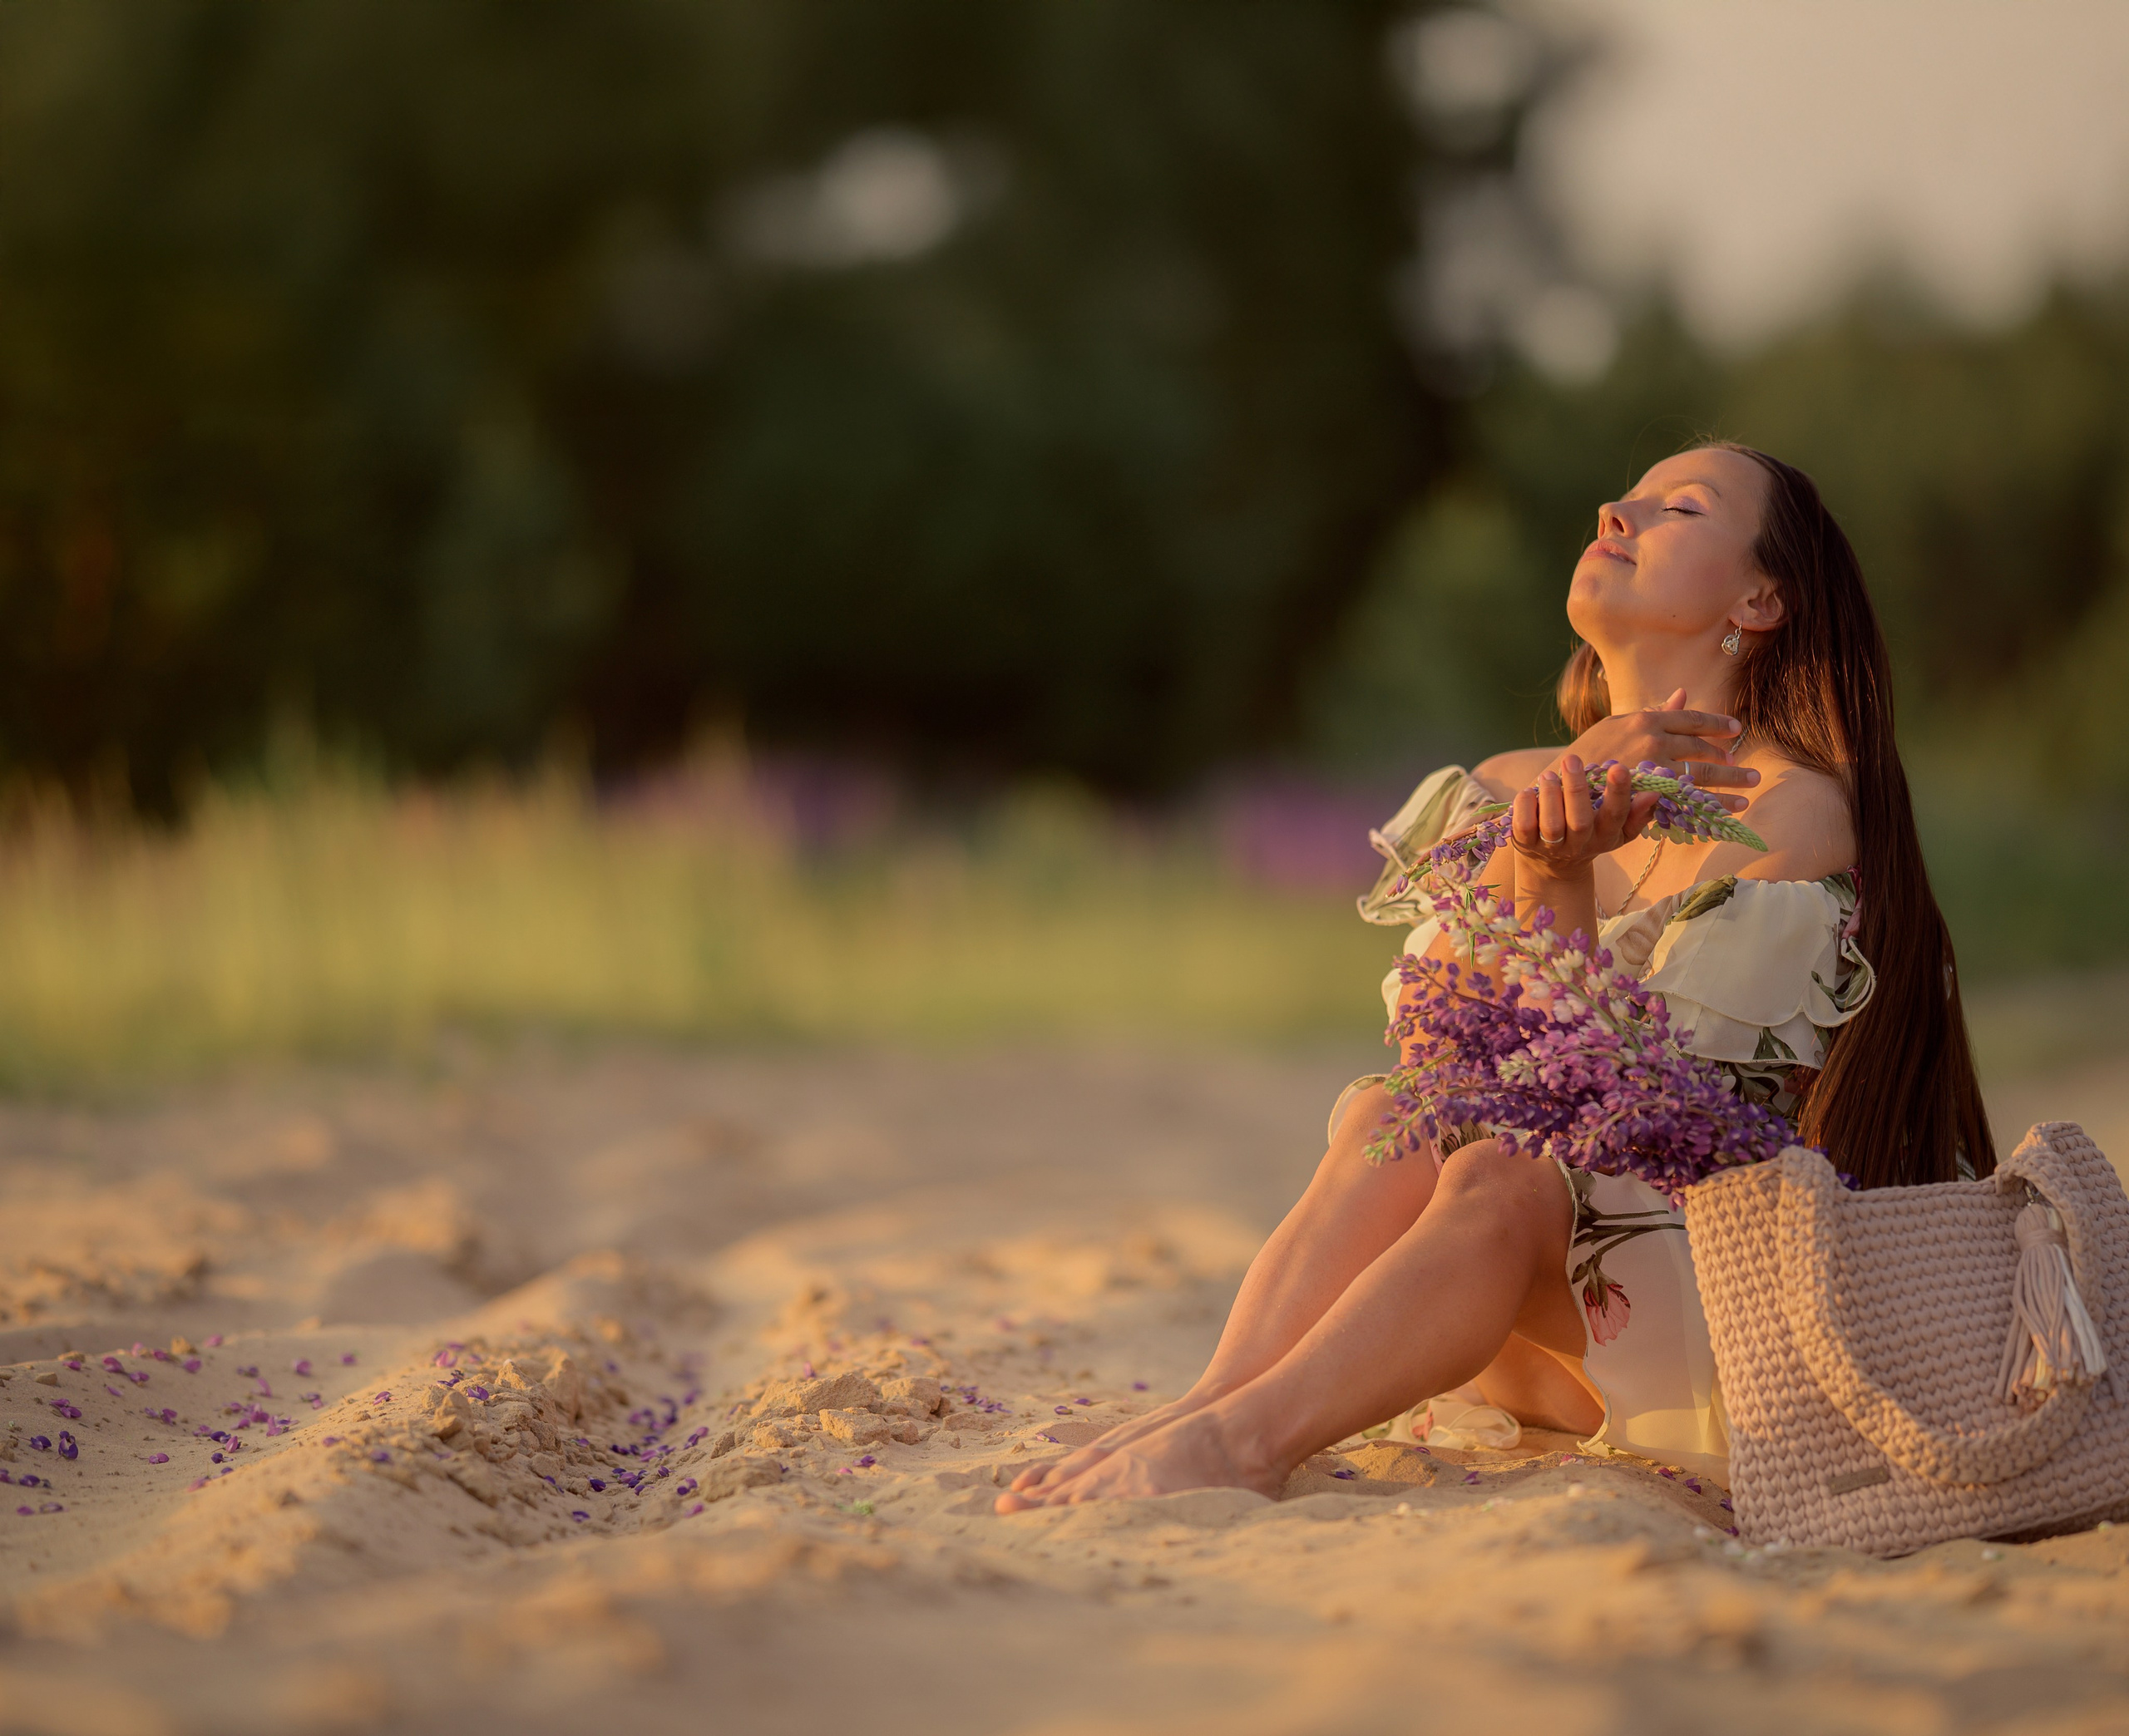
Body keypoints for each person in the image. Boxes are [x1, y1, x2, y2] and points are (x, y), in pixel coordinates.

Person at [996, 441, 1994, 1512]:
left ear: (1760, 598)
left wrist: (1557, 875)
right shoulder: (1504, 790)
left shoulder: (1791, 813)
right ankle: (1212, 1407)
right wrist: (1539, 847)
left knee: (1504, 1172)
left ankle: (1242, 1445)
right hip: (1521, 1332)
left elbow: (1628, 1124)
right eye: (1625, 497)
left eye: (1680, 507)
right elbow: (1460, 1067)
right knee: (1401, 1105)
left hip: (1711, 1333)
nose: (1618, 510)